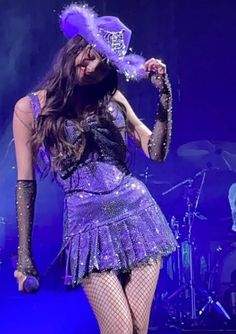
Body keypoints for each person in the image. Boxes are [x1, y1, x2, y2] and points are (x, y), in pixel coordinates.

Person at [13, 3, 177, 334]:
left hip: (138, 215)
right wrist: (24, 256)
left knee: (136, 331)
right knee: (119, 330)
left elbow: (155, 152)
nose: (90, 68)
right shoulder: (29, 109)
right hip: (87, 230)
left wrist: (164, 99)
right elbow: (25, 185)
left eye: (102, 66)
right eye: (88, 55)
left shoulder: (112, 99)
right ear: (74, 48)